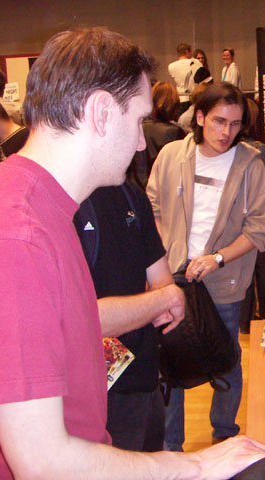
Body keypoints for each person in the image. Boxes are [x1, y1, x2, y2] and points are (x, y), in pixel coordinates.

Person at [0, 27, 265, 479]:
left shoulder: (44, 206)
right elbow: (42, 462)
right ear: (101, 112)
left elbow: (79, 323)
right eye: (137, 121)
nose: (140, 142)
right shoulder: (18, 234)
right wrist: (193, 466)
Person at [147, 83, 265, 447]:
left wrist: (217, 258)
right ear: (200, 117)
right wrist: (166, 255)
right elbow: (153, 207)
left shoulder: (249, 163)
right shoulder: (172, 155)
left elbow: (261, 228)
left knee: (226, 359)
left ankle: (225, 434)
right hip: (172, 279)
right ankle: (172, 448)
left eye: (235, 124)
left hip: (223, 281)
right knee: (170, 363)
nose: (226, 132)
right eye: (219, 121)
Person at [74, 180, 182, 452]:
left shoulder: (132, 195)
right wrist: (159, 302)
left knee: (150, 459)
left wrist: (160, 300)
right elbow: (86, 321)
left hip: (145, 378)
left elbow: (162, 280)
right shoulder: (65, 205)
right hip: (97, 391)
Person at [239, 98, 265, 332]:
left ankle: (245, 322)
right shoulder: (258, 148)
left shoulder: (225, 149)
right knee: (264, 269)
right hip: (260, 221)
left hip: (236, 223)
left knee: (242, 271)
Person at [130, 81, 185, 187]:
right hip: (160, 189)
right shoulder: (176, 132)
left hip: (134, 189)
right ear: (175, 104)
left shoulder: (136, 128)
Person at [168, 42, 200, 117]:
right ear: (187, 52)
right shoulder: (195, 62)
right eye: (191, 52)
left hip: (180, 99)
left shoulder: (171, 66)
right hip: (193, 99)